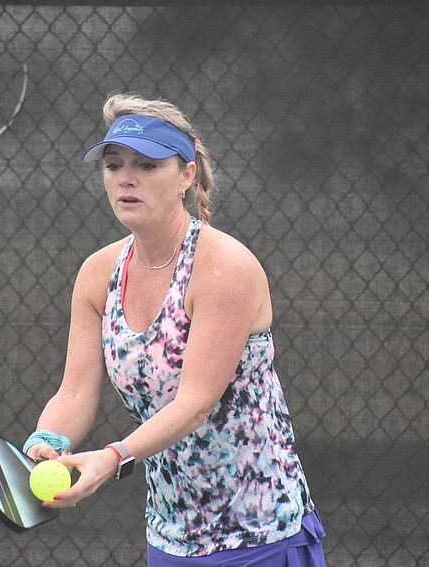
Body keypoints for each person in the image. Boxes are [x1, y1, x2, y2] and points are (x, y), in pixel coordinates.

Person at [23, 92, 326, 565]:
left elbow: (195, 403)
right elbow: (75, 393)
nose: (126, 177)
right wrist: (49, 442)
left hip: (261, 536)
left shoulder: (224, 267)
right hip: (169, 536)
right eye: (114, 164)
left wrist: (112, 458)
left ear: (186, 175)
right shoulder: (96, 274)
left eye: (147, 165)